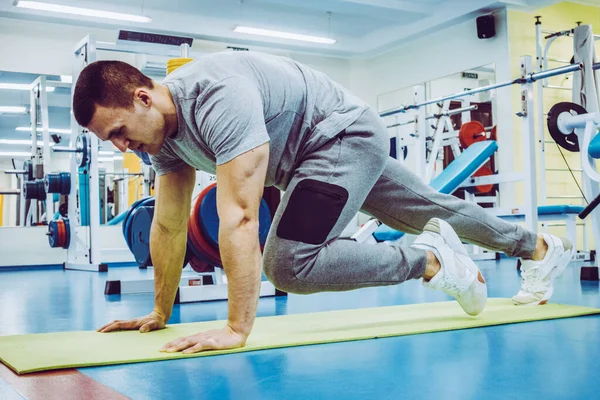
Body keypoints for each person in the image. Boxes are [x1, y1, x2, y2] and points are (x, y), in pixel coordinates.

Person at [73, 51, 573, 355]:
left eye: (118, 132)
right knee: (429, 208)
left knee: (288, 264)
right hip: (317, 153)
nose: (121, 147)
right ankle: (539, 249)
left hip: (339, 137)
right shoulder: (162, 141)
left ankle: (433, 261)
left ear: (142, 97)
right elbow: (168, 224)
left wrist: (235, 327)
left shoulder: (215, 96)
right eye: (108, 141)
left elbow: (242, 218)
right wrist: (159, 311)